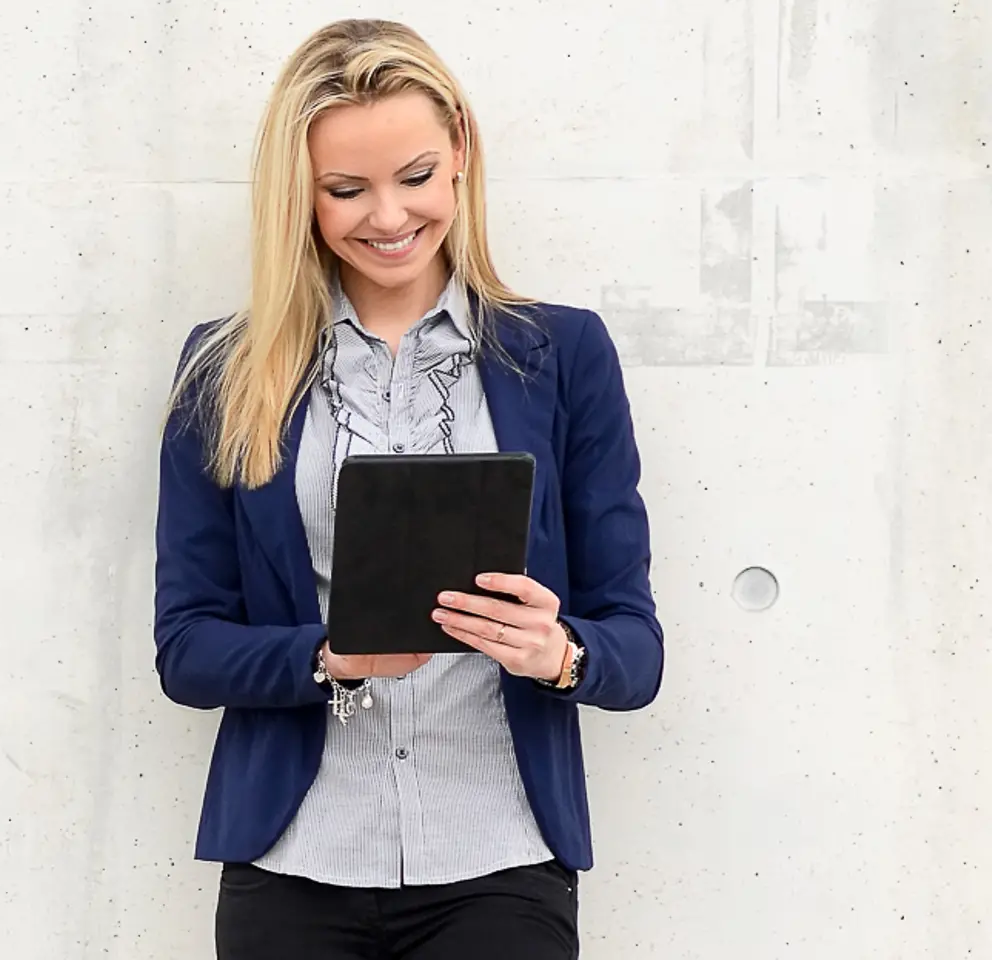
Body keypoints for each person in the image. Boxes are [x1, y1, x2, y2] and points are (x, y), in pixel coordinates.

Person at [152, 17, 664, 960]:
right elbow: (185, 649)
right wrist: (326, 656)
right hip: (292, 862)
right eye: (346, 190)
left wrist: (558, 652)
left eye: (415, 177)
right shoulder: (222, 371)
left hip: (501, 861)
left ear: (461, 152)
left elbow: (635, 646)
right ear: (298, 196)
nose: (387, 218)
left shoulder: (564, 356)